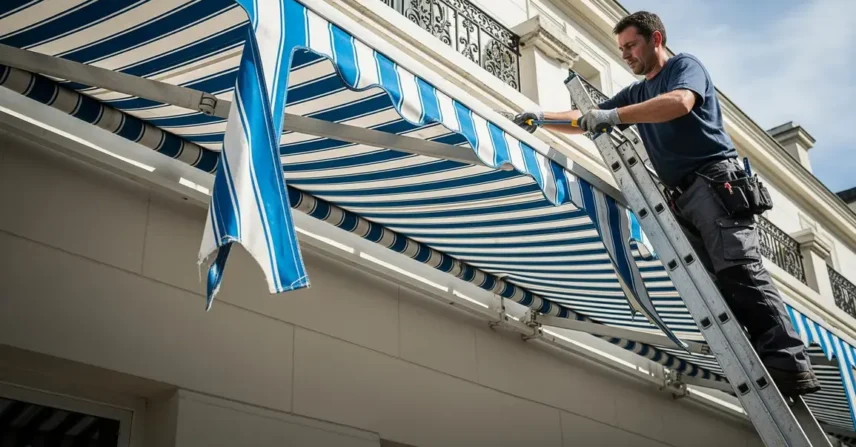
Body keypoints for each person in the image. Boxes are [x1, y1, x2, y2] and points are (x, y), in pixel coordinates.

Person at [513, 11, 820, 396]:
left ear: (655, 39)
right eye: (621, 48)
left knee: (740, 268)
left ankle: (788, 362)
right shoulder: (638, 92)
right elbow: (589, 117)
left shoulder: (683, 68)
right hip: (685, 197)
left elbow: (679, 103)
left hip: (715, 183)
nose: (625, 54)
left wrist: (613, 115)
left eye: (631, 45)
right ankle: (761, 355)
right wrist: (542, 117)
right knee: (716, 283)